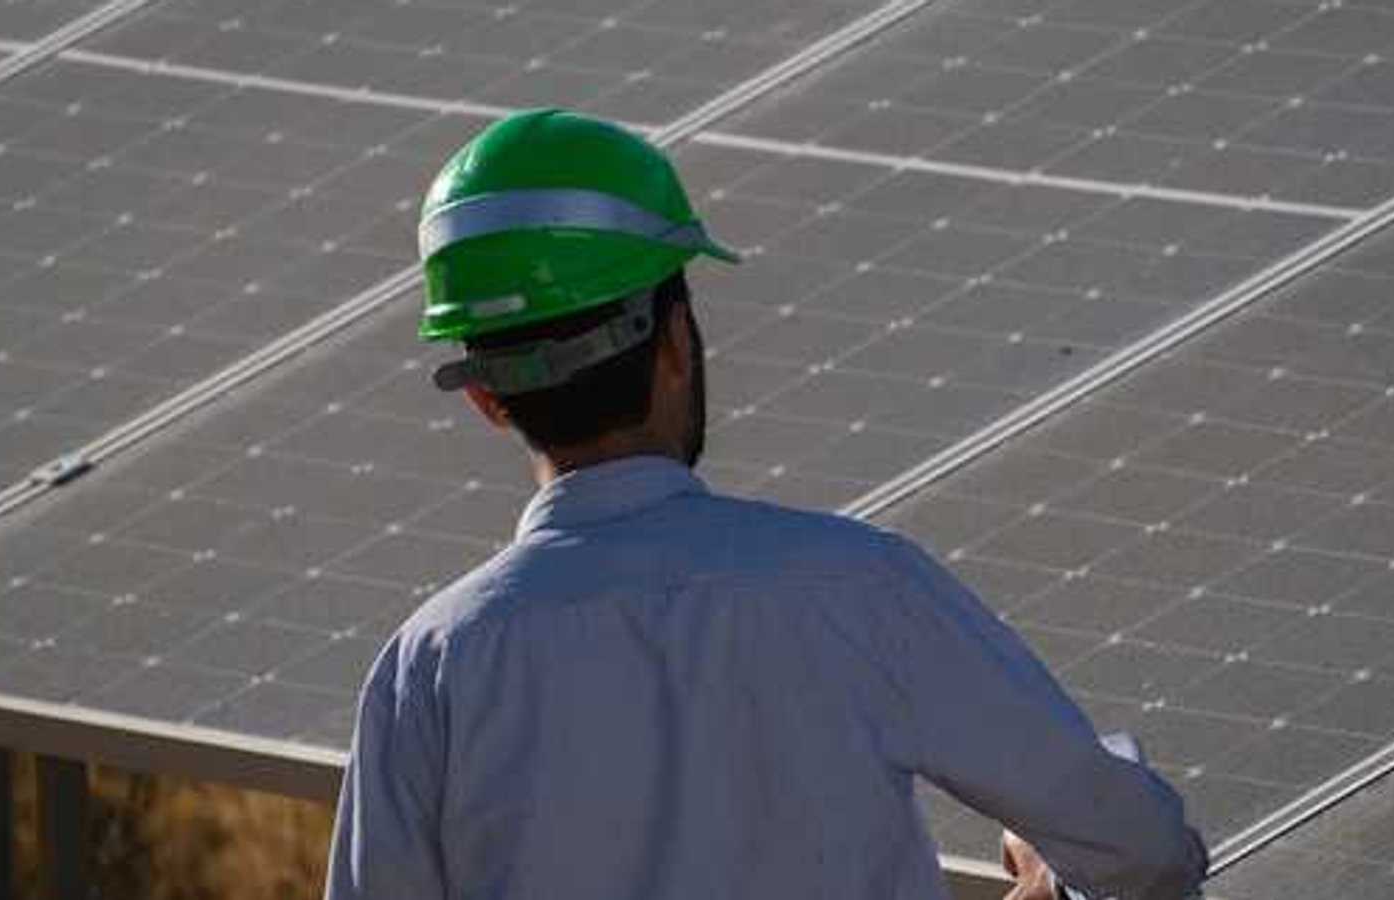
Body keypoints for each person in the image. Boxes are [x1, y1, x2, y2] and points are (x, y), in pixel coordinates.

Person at [325, 108, 1207, 900]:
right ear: (676, 340)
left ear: (486, 397)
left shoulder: (429, 671)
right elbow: (1148, 855)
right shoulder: (856, 588)